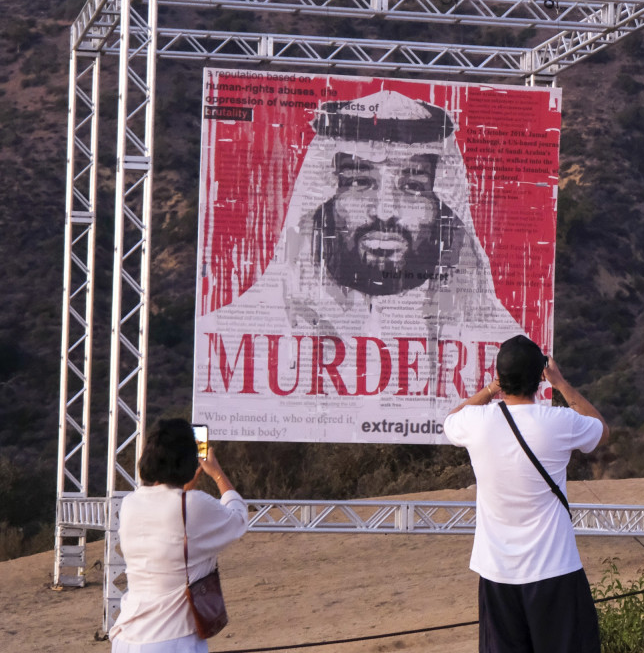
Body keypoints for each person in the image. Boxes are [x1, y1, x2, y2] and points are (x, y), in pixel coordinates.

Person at [195, 89, 525, 437]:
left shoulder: (509, 345)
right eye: (359, 182)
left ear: (441, 203)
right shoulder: (227, 332)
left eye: (413, 186)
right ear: (326, 196)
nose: (384, 211)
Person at [443, 334, 608, 653]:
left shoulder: (476, 422)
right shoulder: (560, 422)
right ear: (540, 377)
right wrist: (561, 384)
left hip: (497, 574)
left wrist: (491, 389)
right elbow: (601, 429)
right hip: (555, 570)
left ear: (500, 377)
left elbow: (452, 418)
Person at [110, 419, 248, 652]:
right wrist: (217, 473)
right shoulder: (193, 504)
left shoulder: (130, 504)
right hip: (173, 638)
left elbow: (169, 517)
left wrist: (184, 490)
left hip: (127, 636)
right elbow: (239, 518)